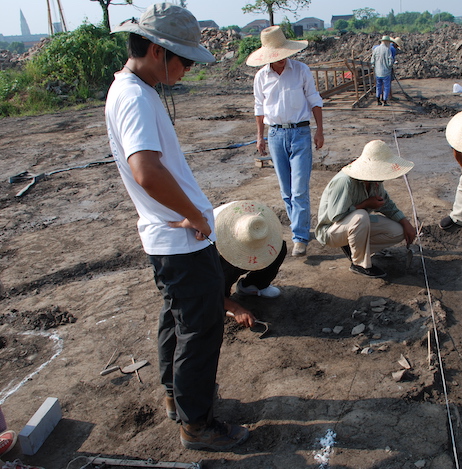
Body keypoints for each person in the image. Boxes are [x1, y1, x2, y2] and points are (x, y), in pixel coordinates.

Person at [106, 3, 248, 451]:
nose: (187, 68)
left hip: (168, 236)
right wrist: (193, 214)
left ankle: (176, 398)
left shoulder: (138, 88)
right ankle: (197, 424)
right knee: (202, 330)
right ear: (154, 50)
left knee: (178, 318)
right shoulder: (132, 96)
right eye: (183, 59)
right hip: (178, 238)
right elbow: (145, 169)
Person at [247, 26, 324, 258]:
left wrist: (320, 130)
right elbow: (259, 109)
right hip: (276, 135)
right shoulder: (261, 76)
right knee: (287, 192)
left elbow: (314, 99)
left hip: (300, 133)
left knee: (300, 190)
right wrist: (260, 136)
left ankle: (299, 237)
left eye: (283, 56)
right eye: (276, 57)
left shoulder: (301, 70)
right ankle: (298, 228)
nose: (281, 61)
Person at [315, 140, 417, 278]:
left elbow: (386, 204)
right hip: (331, 230)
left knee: (398, 230)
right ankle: (360, 264)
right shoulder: (345, 181)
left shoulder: (375, 181)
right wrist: (365, 204)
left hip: (354, 225)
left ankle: (355, 248)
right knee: (360, 216)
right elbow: (336, 217)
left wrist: (405, 222)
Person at [214, 200, 286, 328]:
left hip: (240, 233)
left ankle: (252, 285)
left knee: (278, 248)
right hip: (215, 259)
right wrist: (235, 309)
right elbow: (202, 290)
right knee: (217, 283)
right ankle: (223, 300)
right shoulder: (209, 244)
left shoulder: (252, 220)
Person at [371, 36, 394, 106]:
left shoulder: (376, 49)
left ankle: (378, 100)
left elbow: (372, 61)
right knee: (386, 87)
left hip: (378, 72)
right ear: (387, 42)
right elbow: (390, 61)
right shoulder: (387, 50)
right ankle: (385, 101)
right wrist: (390, 67)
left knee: (378, 86)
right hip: (386, 72)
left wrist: (374, 67)